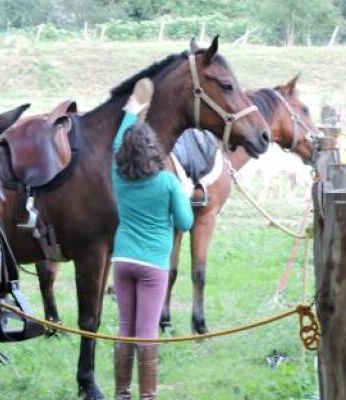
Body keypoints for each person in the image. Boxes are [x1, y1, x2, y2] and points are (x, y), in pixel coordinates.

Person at [111, 78, 194, 400]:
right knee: (146, 334)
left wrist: (131, 113)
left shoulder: (118, 175)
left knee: (125, 329)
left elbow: (118, 144)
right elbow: (185, 224)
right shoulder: (169, 182)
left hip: (122, 260)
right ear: (153, 149)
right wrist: (184, 194)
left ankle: (122, 394)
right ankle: (147, 397)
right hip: (153, 265)